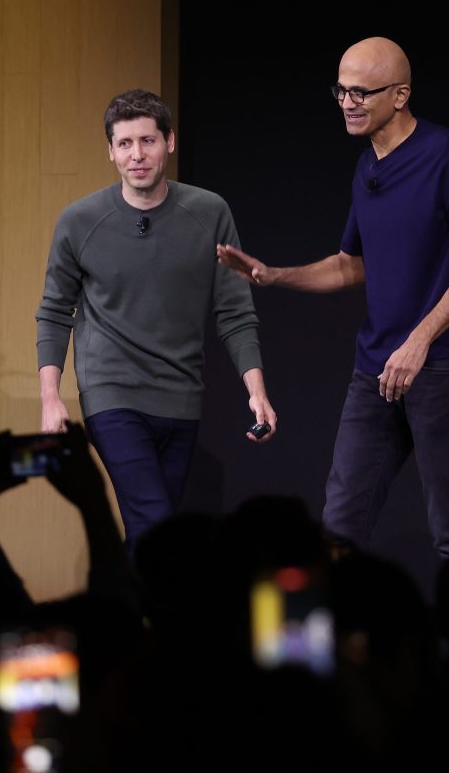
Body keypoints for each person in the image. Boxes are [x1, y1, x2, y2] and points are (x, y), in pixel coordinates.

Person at [217, 37, 449, 557]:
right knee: (339, 526)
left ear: (400, 95)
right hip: (375, 370)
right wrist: (271, 275)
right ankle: (333, 638)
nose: (347, 102)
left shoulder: (445, 154)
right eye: (340, 91)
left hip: (441, 367)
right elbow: (350, 266)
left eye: (361, 92)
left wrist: (418, 342)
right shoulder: (366, 166)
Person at [36, 89, 277, 554]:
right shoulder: (79, 220)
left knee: (154, 534)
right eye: (124, 144)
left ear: (170, 141)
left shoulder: (209, 213)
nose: (136, 155)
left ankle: (132, 618)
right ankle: (157, 622)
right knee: (154, 523)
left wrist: (257, 390)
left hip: (181, 396)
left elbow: (234, 310)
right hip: (112, 393)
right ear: (110, 151)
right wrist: (51, 397)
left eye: (147, 141)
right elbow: (53, 310)